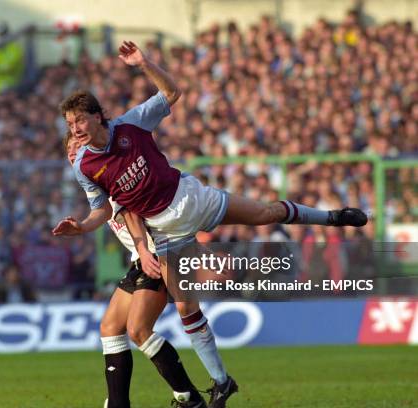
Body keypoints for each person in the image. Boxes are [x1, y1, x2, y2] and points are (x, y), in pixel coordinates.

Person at [54, 40, 367, 406]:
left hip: (191, 199)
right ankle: (220, 382)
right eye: (69, 124)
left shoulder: (131, 125)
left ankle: (331, 217)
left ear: (97, 116)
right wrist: (83, 227)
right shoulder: (84, 166)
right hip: (164, 232)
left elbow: (172, 92)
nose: (74, 129)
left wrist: (144, 63)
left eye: (79, 119)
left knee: (265, 214)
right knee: (186, 307)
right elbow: (109, 209)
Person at [65, 133, 221, 408]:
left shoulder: (111, 176)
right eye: (69, 149)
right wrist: (80, 227)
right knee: (110, 327)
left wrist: (152, 252)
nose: (72, 153)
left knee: (139, 329)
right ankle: (118, 403)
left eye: (77, 147)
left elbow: (134, 212)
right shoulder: (96, 187)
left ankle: (189, 398)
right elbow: (101, 214)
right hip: (140, 259)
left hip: (159, 257)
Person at [0, 22, 24, 95]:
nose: (2, 37)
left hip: (14, 84)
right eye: (0, 35)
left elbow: (9, 68)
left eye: (4, 34)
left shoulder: (15, 48)